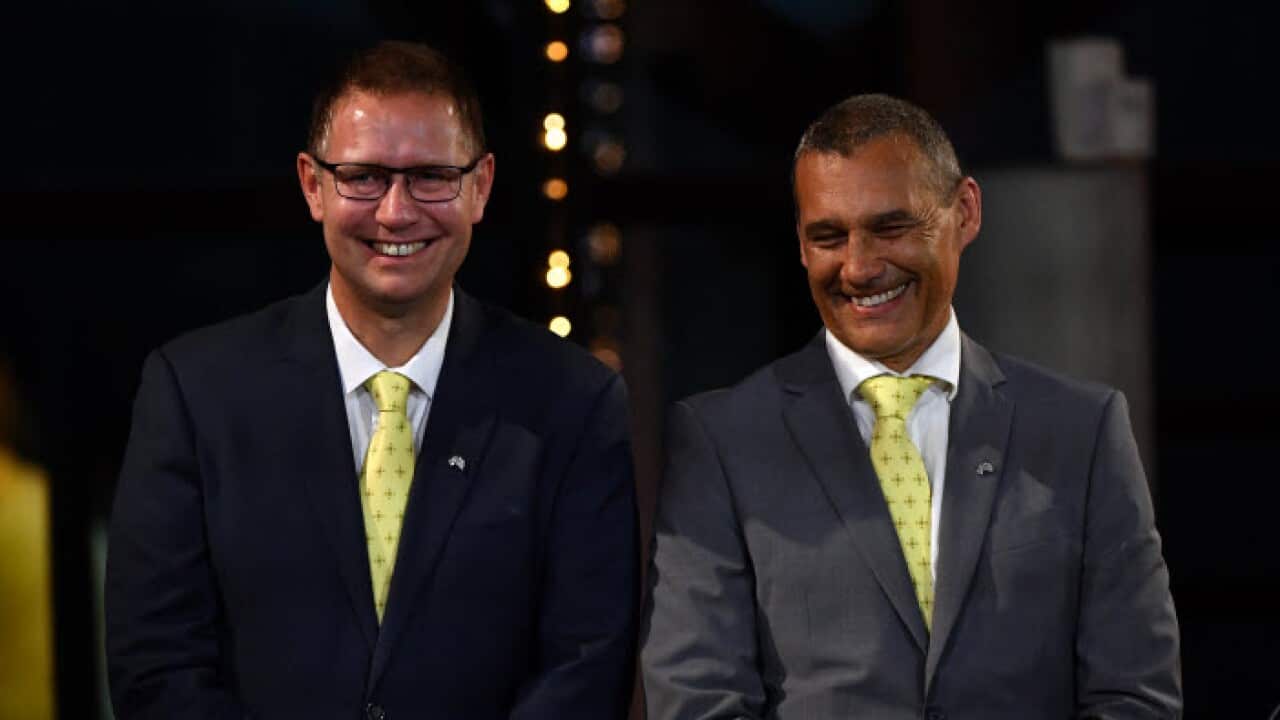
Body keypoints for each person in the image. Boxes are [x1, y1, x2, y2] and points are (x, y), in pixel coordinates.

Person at [106, 41, 638, 720]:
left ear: (481, 186)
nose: (395, 212)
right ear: (311, 185)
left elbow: (584, 669)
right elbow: (157, 667)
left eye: (432, 176)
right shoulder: (193, 392)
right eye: (363, 177)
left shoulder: (574, 401)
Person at [641, 94, 1181, 719]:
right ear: (799, 243)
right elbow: (697, 701)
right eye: (828, 237)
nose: (860, 267)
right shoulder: (721, 442)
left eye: (891, 228)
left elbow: (1135, 697)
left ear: (965, 213)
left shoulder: (1081, 432)